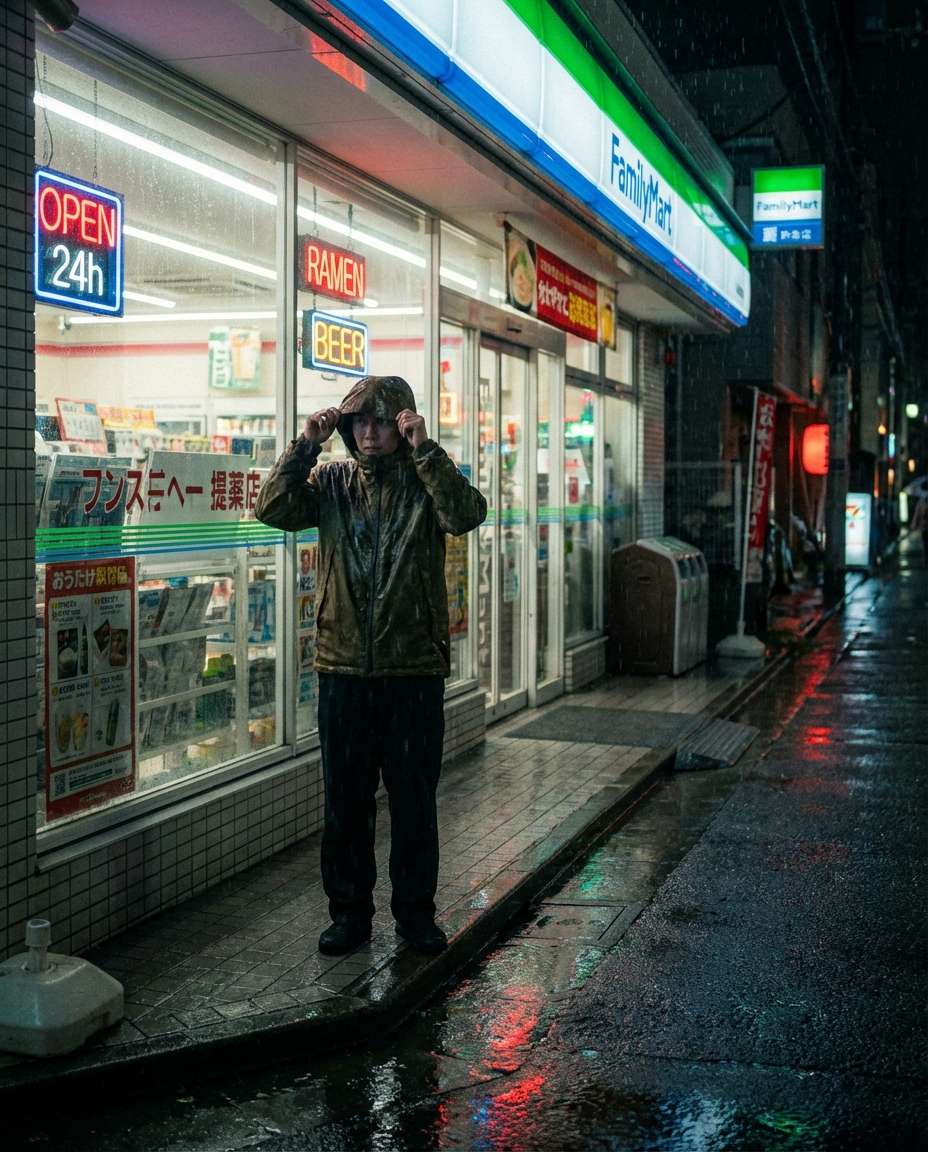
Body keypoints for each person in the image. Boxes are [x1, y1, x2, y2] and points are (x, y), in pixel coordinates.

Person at [255, 376, 487, 955]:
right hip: (342, 672)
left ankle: (415, 916)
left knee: (413, 802)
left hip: (412, 671)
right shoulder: (332, 482)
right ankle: (350, 914)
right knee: (346, 803)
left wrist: (426, 450)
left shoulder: (426, 479)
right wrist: (306, 444)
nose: (368, 432)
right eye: (359, 423)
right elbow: (271, 506)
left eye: (382, 422)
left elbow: (467, 514)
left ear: (403, 424)